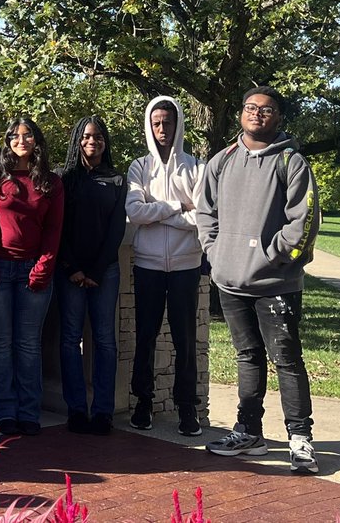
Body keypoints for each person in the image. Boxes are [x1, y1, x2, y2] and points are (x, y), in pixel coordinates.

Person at [197, 86, 321, 474]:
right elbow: (206, 214)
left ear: (278, 117)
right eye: (251, 108)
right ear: (241, 114)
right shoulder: (222, 160)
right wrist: (216, 254)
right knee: (247, 358)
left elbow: (305, 222)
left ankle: (300, 440)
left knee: (286, 359)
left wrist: (272, 256)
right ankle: (248, 431)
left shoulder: (291, 162)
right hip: (231, 281)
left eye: (266, 110)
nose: (257, 115)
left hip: (275, 285)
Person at [0, 116, 63, 436]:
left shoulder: (51, 181)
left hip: (33, 273)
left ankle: (28, 411)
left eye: (27, 135)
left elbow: (53, 231)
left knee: (28, 345)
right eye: (15, 135)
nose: (21, 141)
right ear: (8, 140)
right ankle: (5, 411)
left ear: (36, 140)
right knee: (0, 344)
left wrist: (42, 268)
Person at [126, 96, 203, 436]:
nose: (162, 129)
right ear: (149, 125)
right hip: (148, 265)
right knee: (146, 336)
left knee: (185, 340)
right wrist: (175, 206)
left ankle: (188, 408)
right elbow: (135, 213)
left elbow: (201, 216)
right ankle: (143, 403)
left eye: (167, 122)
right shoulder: (139, 168)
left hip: (187, 265)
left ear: (177, 124)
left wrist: (158, 214)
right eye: (156, 123)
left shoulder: (196, 168)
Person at [55, 116, 127, 435]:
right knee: (70, 340)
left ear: (105, 142)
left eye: (98, 137)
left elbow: (116, 230)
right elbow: (56, 228)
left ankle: (102, 411)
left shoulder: (117, 180)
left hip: (105, 272)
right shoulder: (63, 178)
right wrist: (73, 268)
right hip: (70, 271)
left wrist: (96, 270)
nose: (92, 142)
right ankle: (76, 410)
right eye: (85, 137)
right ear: (77, 140)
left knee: (104, 341)